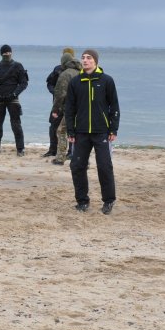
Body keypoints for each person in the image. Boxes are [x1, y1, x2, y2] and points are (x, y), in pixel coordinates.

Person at [64, 49, 120, 214]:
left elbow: (114, 106)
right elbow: (69, 109)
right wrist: (70, 131)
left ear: (95, 61)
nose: (85, 60)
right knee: (77, 166)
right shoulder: (75, 82)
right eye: (83, 58)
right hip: (81, 132)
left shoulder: (106, 80)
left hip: (102, 131)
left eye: (89, 58)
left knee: (104, 166)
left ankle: (108, 201)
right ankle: (82, 201)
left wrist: (113, 128)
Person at [0, 44, 29, 156]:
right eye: (5, 53)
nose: (7, 55)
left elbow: (23, 83)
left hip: (13, 99)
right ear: (1, 54)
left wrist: (15, 93)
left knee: (16, 124)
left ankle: (20, 149)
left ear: (11, 53)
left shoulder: (18, 66)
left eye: (8, 53)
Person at [50, 52, 83, 165]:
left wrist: (55, 109)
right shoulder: (82, 72)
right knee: (81, 134)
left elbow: (59, 94)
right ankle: (83, 160)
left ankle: (60, 158)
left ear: (63, 63)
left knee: (61, 131)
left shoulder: (65, 74)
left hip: (71, 109)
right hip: (84, 108)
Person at [43, 48, 74, 157]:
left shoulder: (77, 70)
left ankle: (71, 152)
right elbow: (49, 83)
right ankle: (53, 150)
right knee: (53, 126)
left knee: (71, 128)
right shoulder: (57, 69)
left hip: (71, 105)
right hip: (58, 103)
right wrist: (55, 93)